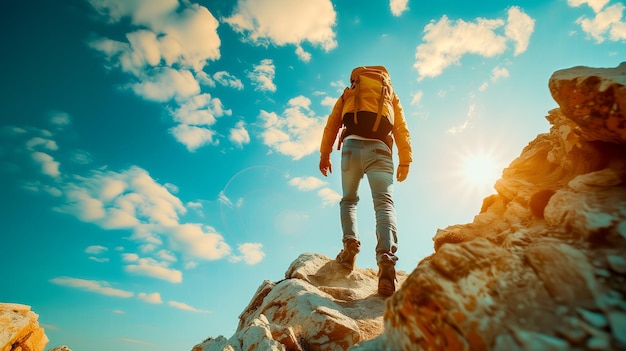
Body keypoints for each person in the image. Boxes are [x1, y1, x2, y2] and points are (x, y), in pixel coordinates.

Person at [318, 66, 412, 297]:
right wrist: (405, 160)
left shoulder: (349, 93)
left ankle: (349, 247)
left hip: (351, 148)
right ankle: (386, 260)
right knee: (384, 203)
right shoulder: (389, 94)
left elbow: (332, 123)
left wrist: (324, 155)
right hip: (380, 149)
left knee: (349, 201)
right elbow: (401, 127)